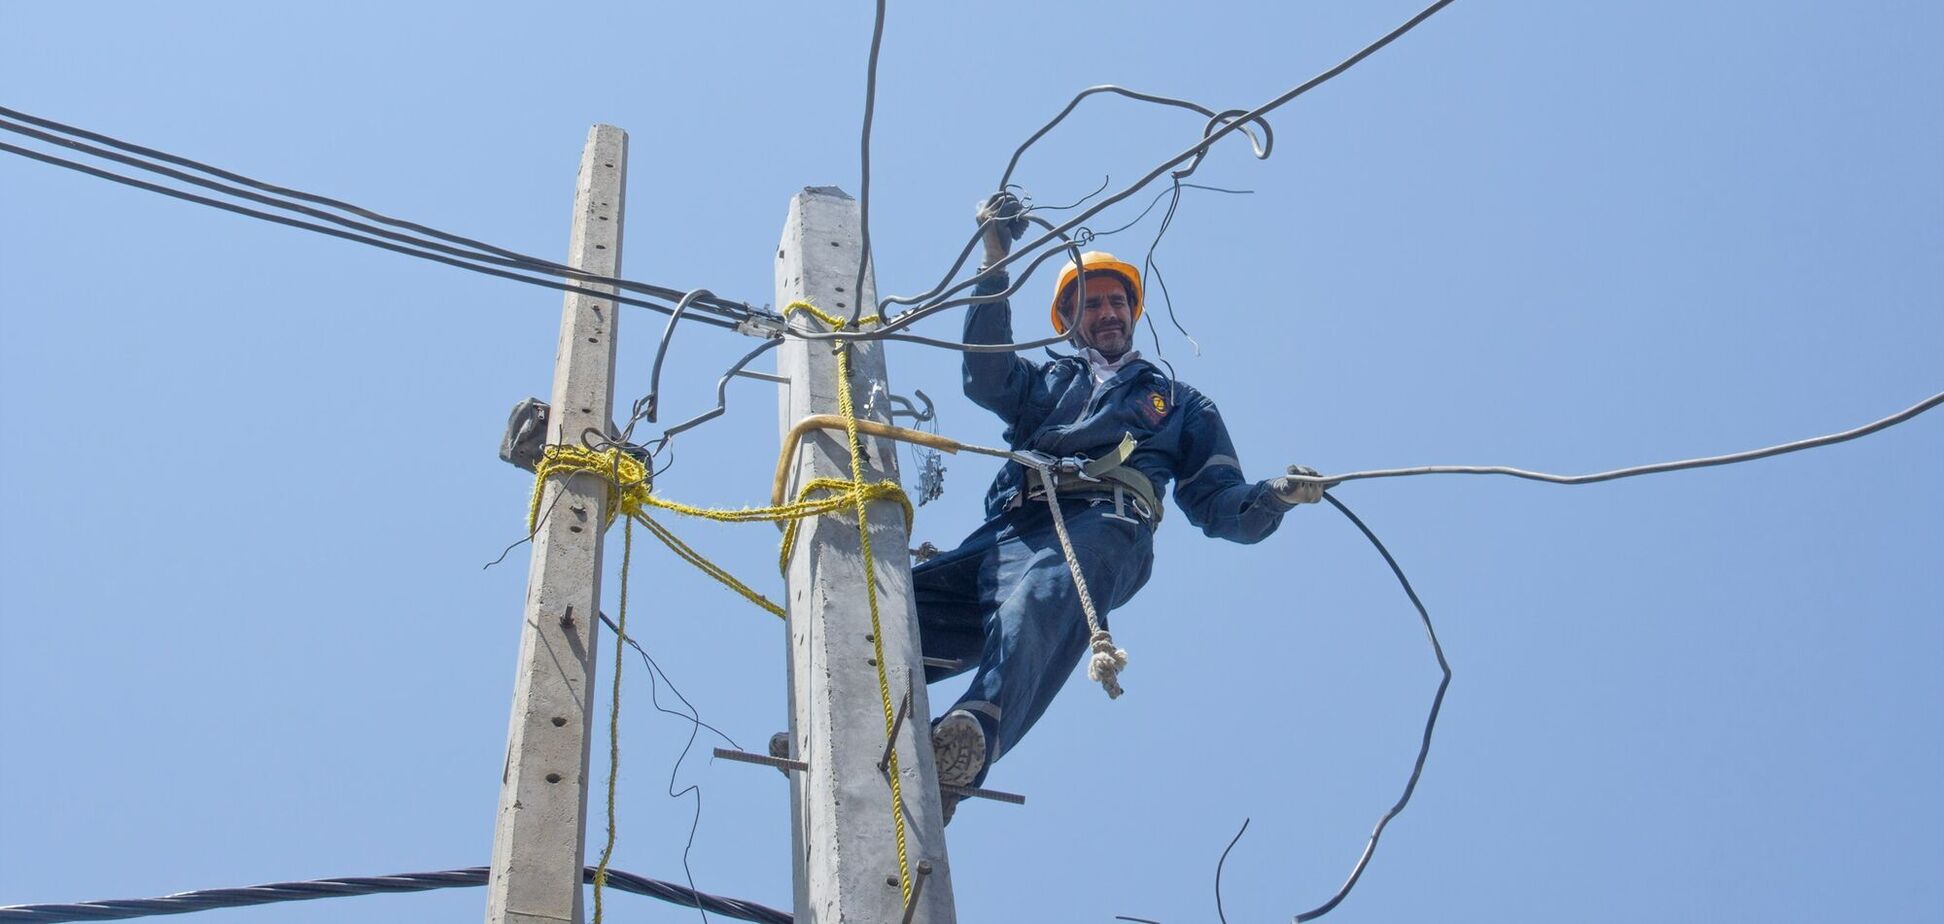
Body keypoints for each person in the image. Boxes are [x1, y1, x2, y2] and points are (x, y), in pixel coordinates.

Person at [914, 195, 1328, 819]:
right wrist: (995, 258)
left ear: (1133, 312)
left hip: (1104, 526)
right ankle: (847, 714)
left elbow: (1218, 505)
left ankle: (973, 732)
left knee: (1041, 598)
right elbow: (985, 377)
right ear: (1067, 318)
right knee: (896, 605)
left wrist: (1274, 496)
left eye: (1117, 302)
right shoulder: (1046, 383)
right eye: (1092, 303)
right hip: (1009, 529)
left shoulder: (1179, 403)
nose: (1107, 313)